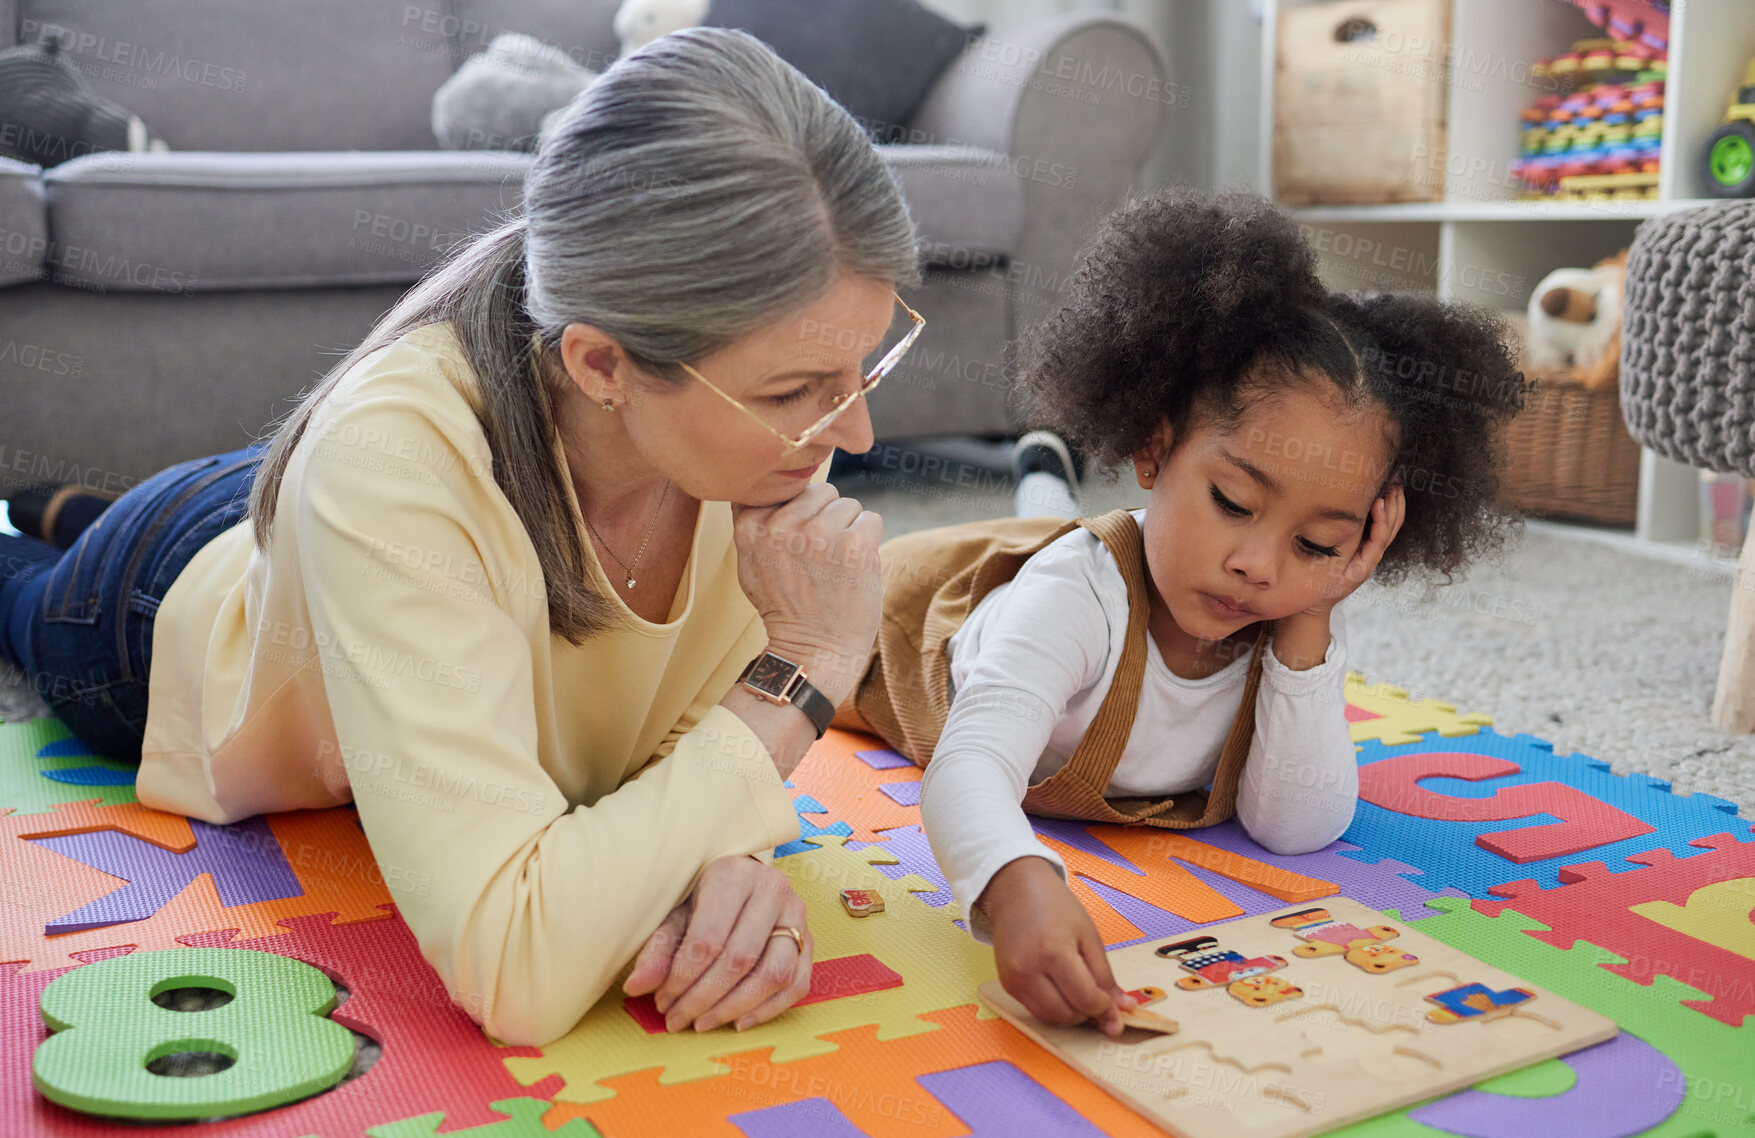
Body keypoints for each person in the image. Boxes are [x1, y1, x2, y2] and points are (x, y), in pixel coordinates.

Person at [0, 28, 926, 1047]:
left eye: (864, 373)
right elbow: (516, 968)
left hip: (345, 522)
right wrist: (801, 670)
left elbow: (682, 760)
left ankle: (66, 501)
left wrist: (726, 872)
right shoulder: (390, 460)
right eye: (798, 392)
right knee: (23, 594)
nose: (853, 433)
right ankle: (51, 525)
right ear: (603, 365)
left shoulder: (765, 432)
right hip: (158, 602)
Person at [835, 188, 1528, 1037]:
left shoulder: (1285, 606)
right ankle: (1042, 484)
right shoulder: (1069, 598)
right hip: (930, 615)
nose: (1258, 564)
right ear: (1155, 449)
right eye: (1233, 501)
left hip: (1103, 546)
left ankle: (1043, 472)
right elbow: (969, 768)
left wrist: (1313, 619)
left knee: (1060, 523)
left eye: (1317, 543)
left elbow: (1296, 828)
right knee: (834, 627)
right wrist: (1015, 885)